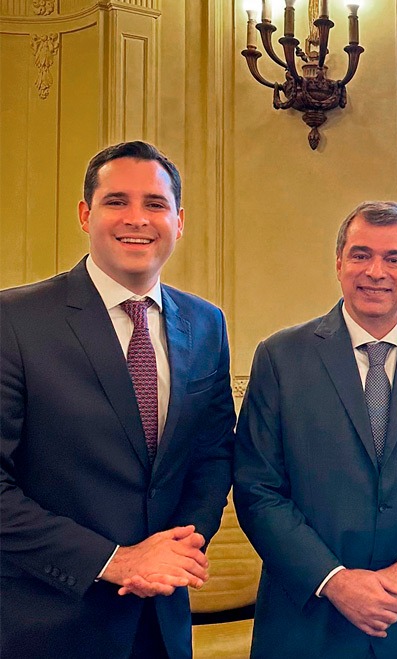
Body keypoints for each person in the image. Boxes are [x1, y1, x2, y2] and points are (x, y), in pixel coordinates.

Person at [0, 141, 235, 658]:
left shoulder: (206, 323)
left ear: (179, 220)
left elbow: (214, 454)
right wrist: (116, 561)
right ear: (85, 214)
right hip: (49, 622)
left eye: (155, 204)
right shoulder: (14, 321)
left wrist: (176, 550)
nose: (138, 219)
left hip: (163, 623)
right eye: (116, 201)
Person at [233, 201, 397, 658]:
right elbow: (258, 489)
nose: (376, 271)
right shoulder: (280, 357)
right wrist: (334, 581)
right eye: (360, 255)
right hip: (308, 621)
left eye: (394, 258)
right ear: (338, 264)